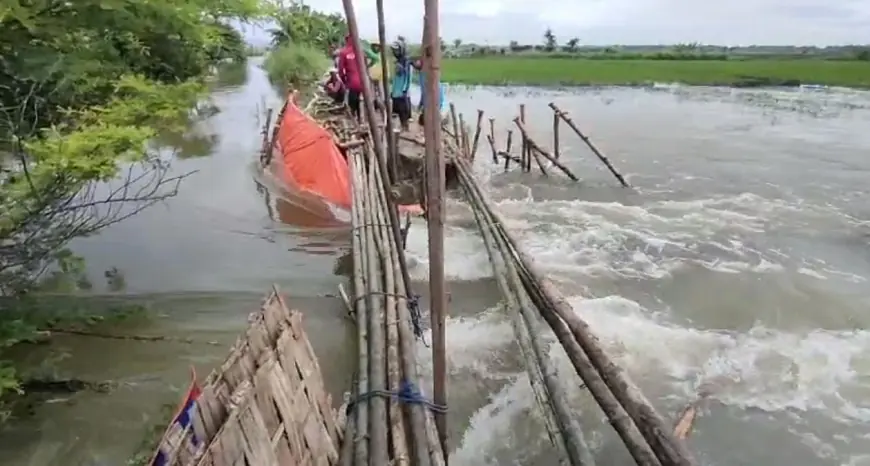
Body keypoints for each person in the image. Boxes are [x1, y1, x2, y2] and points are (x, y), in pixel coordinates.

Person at [337, 34, 364, 121]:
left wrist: (344, 80)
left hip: (352, 81)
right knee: (361, 100)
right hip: (362, 81)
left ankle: (354, 117)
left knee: (352, 101)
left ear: (346, 40)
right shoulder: (361, 51)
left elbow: (341, 69)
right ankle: (361, 118)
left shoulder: (343, 52)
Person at [413, 58, 446, 127]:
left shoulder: (428, 74)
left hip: (434, 102)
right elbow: (423, 92)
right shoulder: (421, 75)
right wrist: (421, 104)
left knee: (431, 122)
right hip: (429, 103)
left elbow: (437, 91)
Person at [389, 41, 413, 131]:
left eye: (397, 50)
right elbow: (395, 79)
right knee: (398, 111)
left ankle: (405, 127)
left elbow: (408, 77)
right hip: (396, 91)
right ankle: (402, 126)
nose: (395, 52)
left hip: (402, 92)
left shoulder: (406, 62)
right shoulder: (397, 62)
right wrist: (392, 90)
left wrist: (404, 89)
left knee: (403, 111)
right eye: (394, 50)